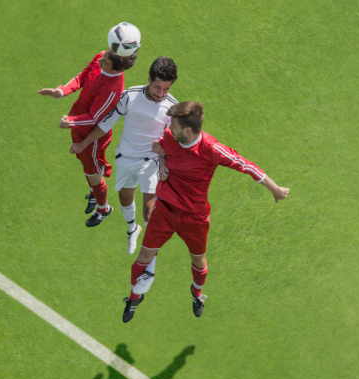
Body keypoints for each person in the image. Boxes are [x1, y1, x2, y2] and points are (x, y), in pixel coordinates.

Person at [122, 101, 289, 323]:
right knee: (143, 257)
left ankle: (197, 295)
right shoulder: (170, 136)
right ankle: (134, 297)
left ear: (187, 131)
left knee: (199, 261)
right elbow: (161, 147)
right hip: (165, 210)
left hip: (195, 218)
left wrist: (275, 188)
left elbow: (245, 164)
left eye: (173, 124)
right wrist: (161, 161)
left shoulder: (211, 149)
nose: (169, 127)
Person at [70, 57, 178, 254]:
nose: (161, 94)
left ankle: (148, 261)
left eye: (166, 89)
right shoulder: (130, 96)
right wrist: (84, 143)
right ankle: (132, 229)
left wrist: (162, 156)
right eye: (157, 87)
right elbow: (106, 123)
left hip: (151, 160)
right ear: (149, 79)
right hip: (127, 156)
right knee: (125, 198)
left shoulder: (172, 108)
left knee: (149, 209)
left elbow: (172, 143)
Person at [38, 24, 140, 227]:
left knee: (92, 172)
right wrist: (60, 92)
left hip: (92, 136)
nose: (100, 59)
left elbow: (95, 118)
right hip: (79, 123)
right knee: (88, 167)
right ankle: (95, 191)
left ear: (115, 67)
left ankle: (104, 209)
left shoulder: (113, 88)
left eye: (104, 61)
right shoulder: (102, 57)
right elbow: (81, 77)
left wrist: (72, 125)